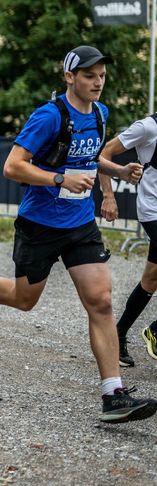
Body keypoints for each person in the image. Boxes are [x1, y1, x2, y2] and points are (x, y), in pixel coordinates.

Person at [0, 45, 157, 424]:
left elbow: (87, 156)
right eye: (90, 75)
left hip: (80, 224)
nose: (98, 82)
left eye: (102, 76)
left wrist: (119, 171)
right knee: (24, 299)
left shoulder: (101, 114)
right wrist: (60, 178)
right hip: (40, 225)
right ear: (69, 77)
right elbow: (13, 167)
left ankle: (113, 394)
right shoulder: (48, 116)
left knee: (102, 303)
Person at [98, 109, 157, 366]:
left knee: (151, 279)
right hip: (153, 211)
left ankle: (118, 335)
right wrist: (109, 196)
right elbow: (103, 153)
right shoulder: (147, 128)